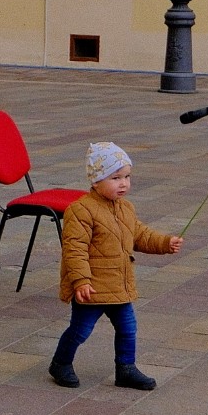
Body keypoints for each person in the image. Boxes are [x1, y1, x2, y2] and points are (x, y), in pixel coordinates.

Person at [49, 142, 182, 391]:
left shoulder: (126, 208)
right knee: (80, 330)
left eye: (127, 177)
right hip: (93, 288)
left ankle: (126, 369)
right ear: (96, 180)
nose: (124, 183)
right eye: (116, 177)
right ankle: (60, 363)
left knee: (128, 328)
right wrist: (81, 281)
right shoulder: (80, 211)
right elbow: (74, 249)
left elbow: (140, 235)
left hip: (119, 285)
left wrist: (165, 242)